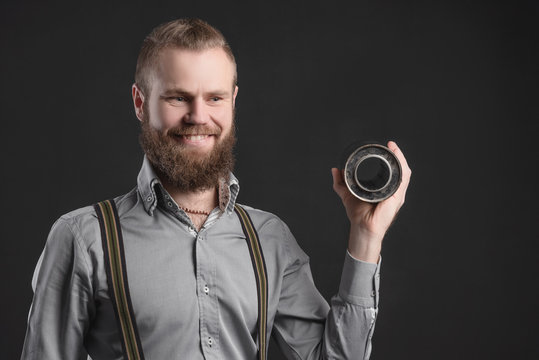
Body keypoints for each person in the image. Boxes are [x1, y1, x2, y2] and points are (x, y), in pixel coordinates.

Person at [21, 18, 411, 360]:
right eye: (178, 97)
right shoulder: (82, 237)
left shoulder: (269, 239)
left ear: (233, 102)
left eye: (214, 98)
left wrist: (365, 235)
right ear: (141, 102)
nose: (198, 116)